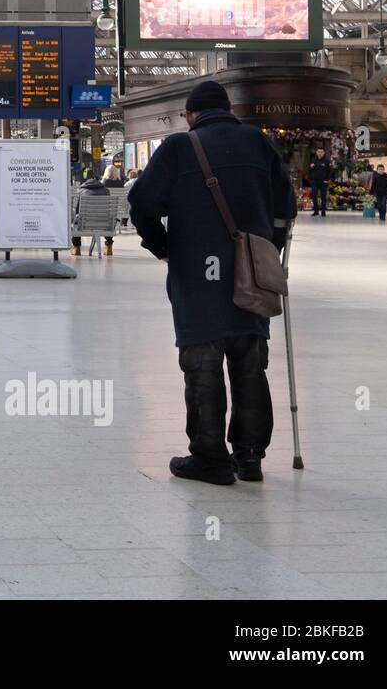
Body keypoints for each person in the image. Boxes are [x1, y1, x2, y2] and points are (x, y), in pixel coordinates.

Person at [128, 81, 296, 485]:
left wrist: (161, 245)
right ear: (229, 110)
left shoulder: (178, 148)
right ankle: (250, 457)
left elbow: (141, 202)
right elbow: (286, 208)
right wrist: (264, 249)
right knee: (250, 359)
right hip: (250, 273)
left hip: (196, 272)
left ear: (190, 115)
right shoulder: (257, 142)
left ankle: (210, 459)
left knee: (202, 361)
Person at [70, 174, 111, 256]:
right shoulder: (106, 190)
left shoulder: (81, 191)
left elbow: (78, 210)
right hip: (103, 222)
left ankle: (76, 247)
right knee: (107, 218)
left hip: (85, 222)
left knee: (77, 221)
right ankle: (109, 246)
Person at [307, 147, 332, 217]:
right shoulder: (314, 160)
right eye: (318, 152)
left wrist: (327, 180)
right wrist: (311, 168)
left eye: (321, 152)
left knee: (323, 197)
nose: (319, 153)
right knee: (314, 196)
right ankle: (316, 211)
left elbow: (329, 172)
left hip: (323, 181)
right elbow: (310, 170)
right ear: (316, 153)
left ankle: (323, 211)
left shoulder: (327, 161)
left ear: (324, 153)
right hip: (314, 181)